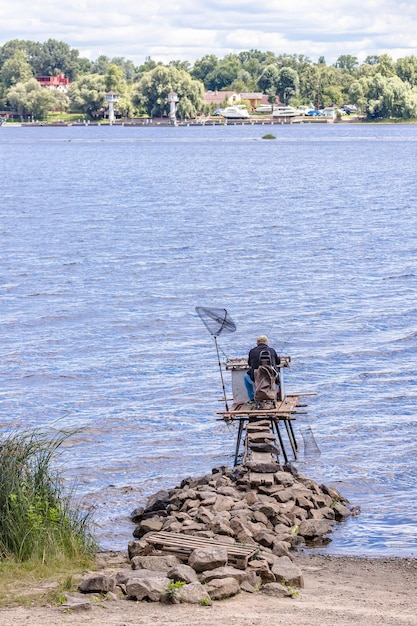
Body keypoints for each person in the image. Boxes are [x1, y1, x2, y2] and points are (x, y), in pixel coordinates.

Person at [244, 335, 280, 401]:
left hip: (256, 379)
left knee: (246, 376)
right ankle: (274, 395)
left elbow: (249, 364)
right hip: (271, 378)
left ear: (257, 343)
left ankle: (252, 398)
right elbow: (278, 362)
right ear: (267, 342)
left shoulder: (252, 351)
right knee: (277, 377)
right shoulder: (272, 350)